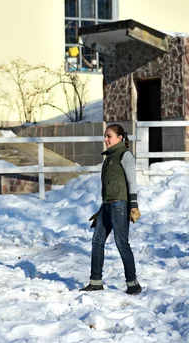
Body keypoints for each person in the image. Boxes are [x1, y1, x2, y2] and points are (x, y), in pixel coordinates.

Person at [80, 124, 142, 295]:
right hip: (107, 205)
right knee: (97, 241)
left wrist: (134, 205)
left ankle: (133, 284)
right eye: (105, 136)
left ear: (120, 138)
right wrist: (102, 208)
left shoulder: (125, 155)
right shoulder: (110, 156)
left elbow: (132, 182)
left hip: (120, 205)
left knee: (122, 243)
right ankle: (95, 281)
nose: (106, 139)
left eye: (109, 136)